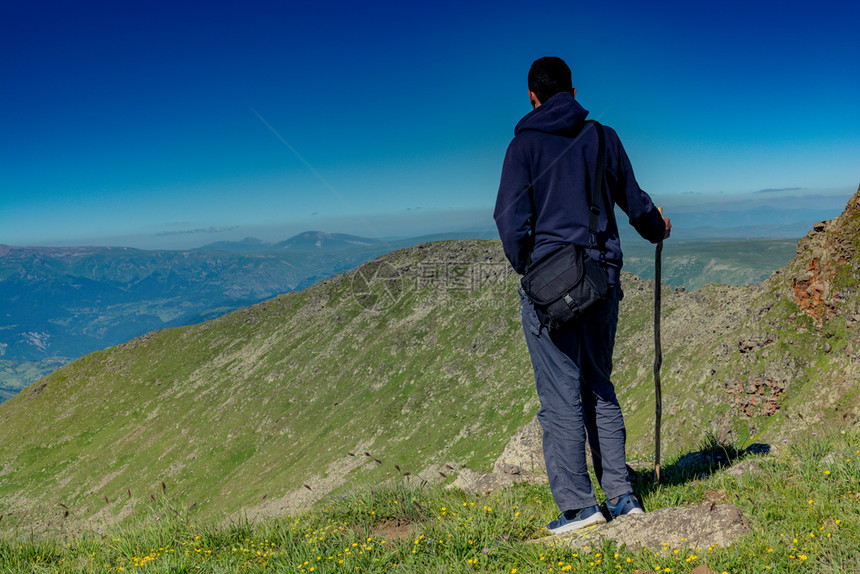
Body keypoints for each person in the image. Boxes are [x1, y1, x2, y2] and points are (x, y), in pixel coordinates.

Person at [494, 56, 671, 534]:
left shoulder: (523, 145)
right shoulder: (602, 137)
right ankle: (622, 496)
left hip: (549, 289)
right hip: (601, 280)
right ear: (573, 91)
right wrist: (659, 227)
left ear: (532, 96)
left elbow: (509, 222)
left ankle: (579, 509)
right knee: (598, 384)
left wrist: (533, 269)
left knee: (560, 396)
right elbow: (635, 204)